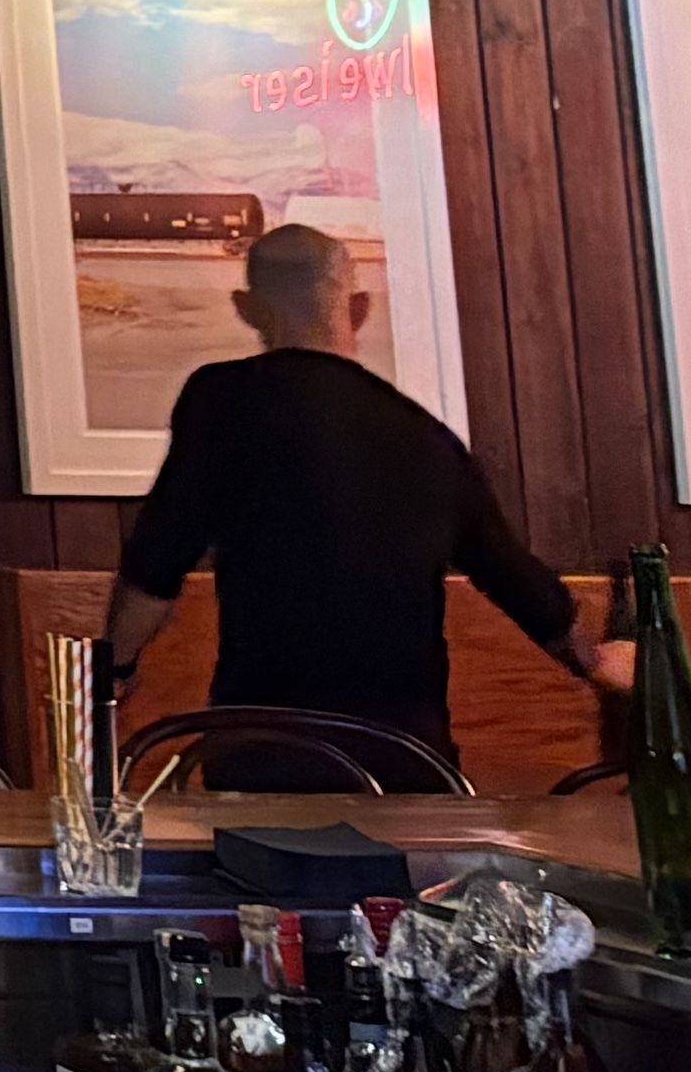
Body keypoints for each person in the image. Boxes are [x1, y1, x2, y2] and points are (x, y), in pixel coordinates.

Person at [100, 221, 627, 790]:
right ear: (358, 308)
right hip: (410, 766)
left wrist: (116, 670)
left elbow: (157, 560)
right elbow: (517, 578)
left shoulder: (221, 399)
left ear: (247, 309)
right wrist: (595, 662)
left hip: (267, 754)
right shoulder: (425, 438)